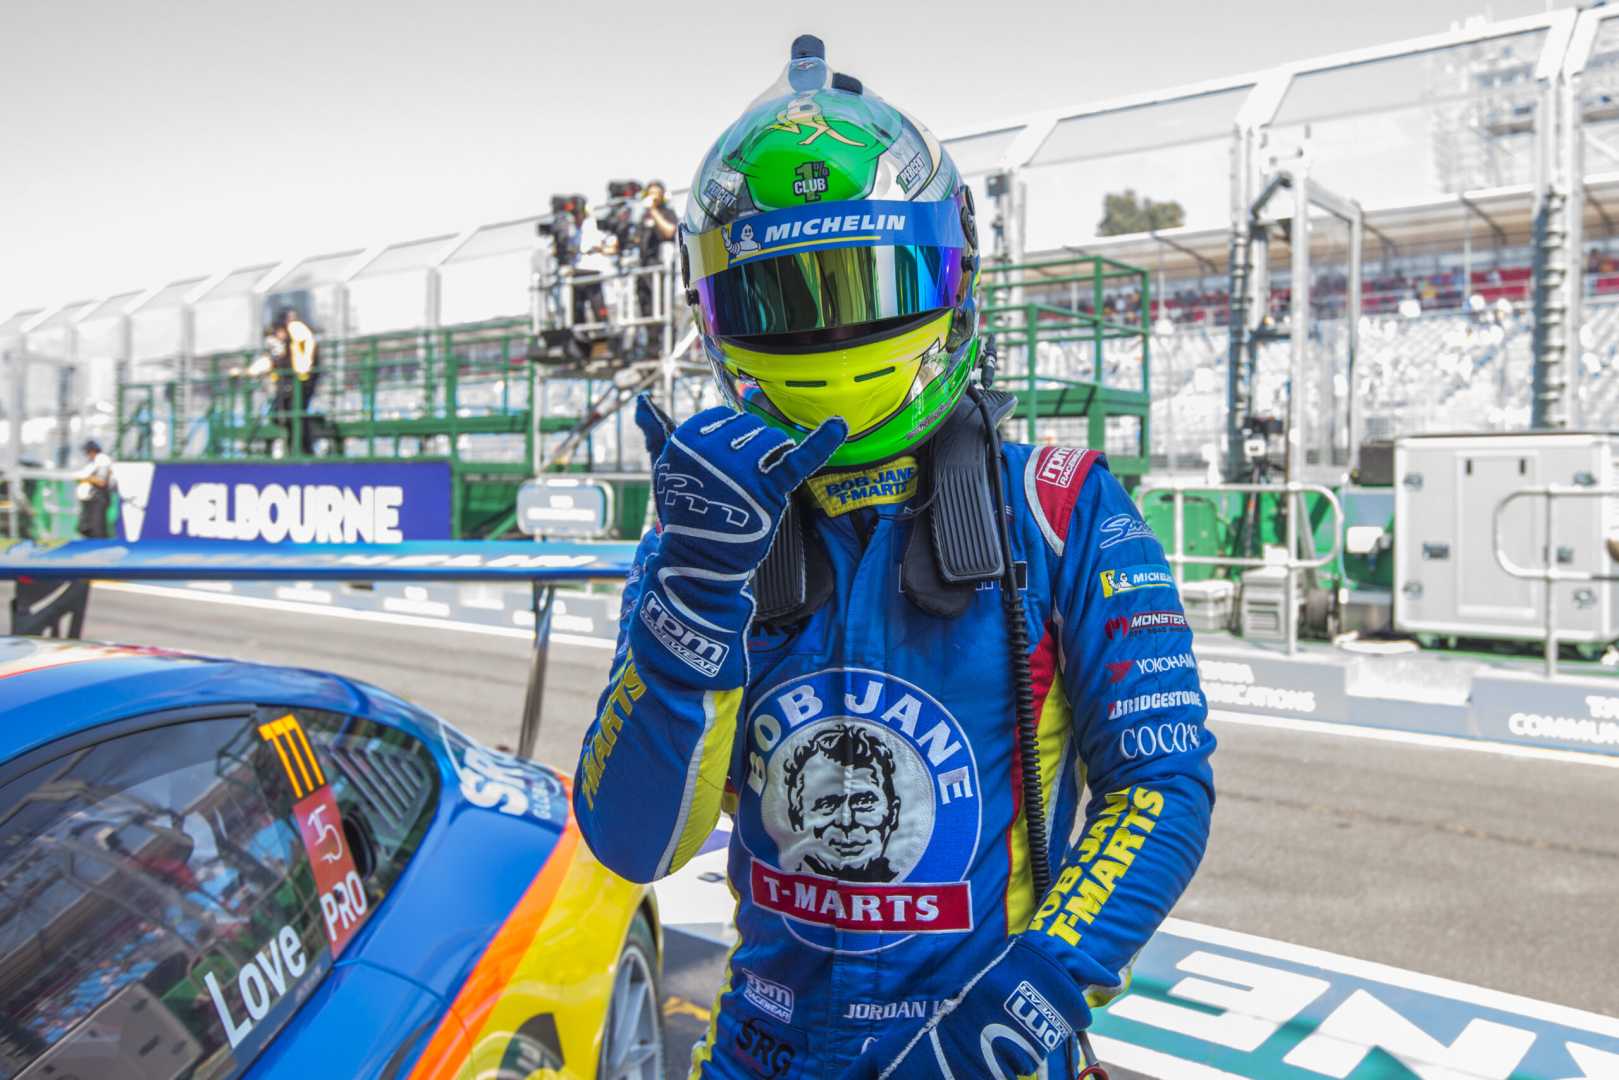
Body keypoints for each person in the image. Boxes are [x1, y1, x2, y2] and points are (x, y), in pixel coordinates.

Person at [572, 36, 1215, 1080]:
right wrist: (692, 597)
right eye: (785, 298)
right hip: (761, 1054)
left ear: (951, 273)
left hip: (982, 1054)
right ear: (719, 318)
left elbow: (1160, 786)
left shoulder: (1057, 507)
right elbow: (634, 845)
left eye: (861, 281)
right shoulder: (700, 529)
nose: (827, 331)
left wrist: (1021, 1011)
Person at [636, 180, 680, 320]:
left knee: (663, 307)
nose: (653, 196)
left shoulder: (667, 212)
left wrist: (653, 211)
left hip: (661, 268)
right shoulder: (643, 217)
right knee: (646, 309)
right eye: (650, 193)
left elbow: (669, 231)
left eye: (656, 193)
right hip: (644, 268)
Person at [75, 439, 113, 538]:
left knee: (97, 528)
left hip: (99, 498)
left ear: (93, 451)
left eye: (88, 452)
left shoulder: (102, 460)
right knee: (85, 527)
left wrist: (85, 479)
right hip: (91, 499)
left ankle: (100, 549)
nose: (87, 454)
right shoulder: (92, 463)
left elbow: (102, 481)